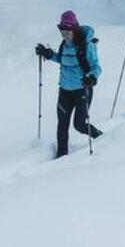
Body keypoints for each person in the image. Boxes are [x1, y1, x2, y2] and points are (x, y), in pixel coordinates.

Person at [35, 10, 103, 158]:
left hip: (82, 90)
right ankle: (61, 156)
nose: (64, 34)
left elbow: (96, 66)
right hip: (64, 90)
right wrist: (48, 54)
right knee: (62, 125)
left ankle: (101, 137)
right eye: (62, 30)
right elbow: (62, 59)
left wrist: (92, 78)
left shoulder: (86, 45)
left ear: (74, 29)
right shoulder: (64, 44)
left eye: (67, 30)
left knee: (79, 125)